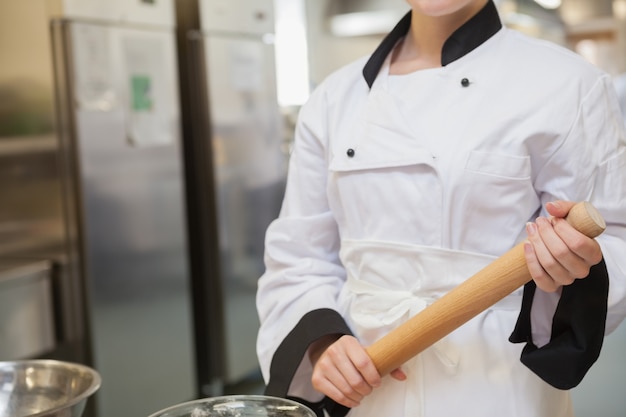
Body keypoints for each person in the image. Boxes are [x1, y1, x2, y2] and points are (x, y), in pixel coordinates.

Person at [256, 1, 626, 416]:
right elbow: (298, 259)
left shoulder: (567, 83)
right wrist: (323, 345)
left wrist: (574, 267)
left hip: (497, 386)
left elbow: (614, 237)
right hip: (367, 380)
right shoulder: (332, 99)